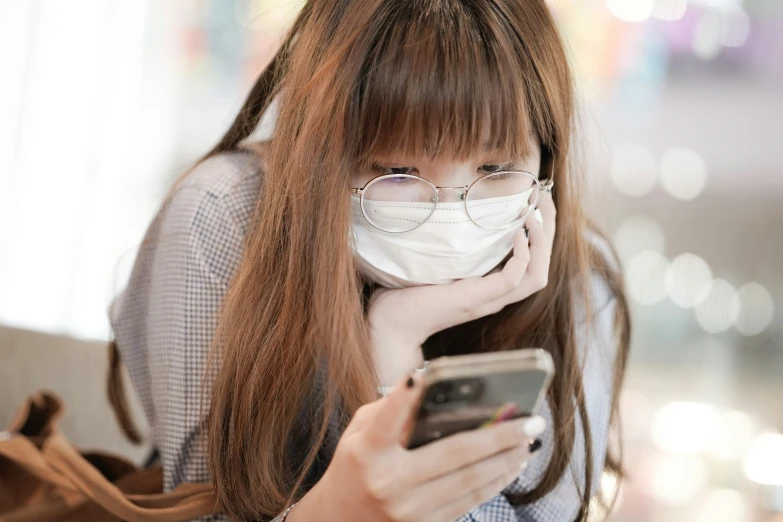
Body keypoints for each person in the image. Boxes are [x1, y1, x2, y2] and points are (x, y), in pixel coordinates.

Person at [109, 1, 631, 521]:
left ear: (547, 154)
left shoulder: (580, 279)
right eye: (398, 170)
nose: (450, 210)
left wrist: (397, 351)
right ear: (320, 151)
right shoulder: (225, 216)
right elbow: (203, 510)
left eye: (496, 166)